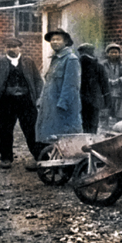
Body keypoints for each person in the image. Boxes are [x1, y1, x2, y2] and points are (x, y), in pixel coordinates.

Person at [0, 38, 44, 170]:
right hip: (6, 101)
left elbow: (38, 81)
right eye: (9, 46)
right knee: (5, 130)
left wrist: (39, 97)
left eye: (15, 46)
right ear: (5, 48)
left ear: (20, 48)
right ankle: (6, 158)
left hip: (26, 100)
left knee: (32, 129)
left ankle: (39, 157)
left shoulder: (29, 62)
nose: (12, 49)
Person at [34, 28, 82, 157]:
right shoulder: (55, 60)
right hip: (51, 104)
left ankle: (65, 162)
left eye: (58, 39)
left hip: (62, 107)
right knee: (52, 136)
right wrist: (42, 101)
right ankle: (55, 158)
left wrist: (63, 104)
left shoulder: (71, 59)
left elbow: (71, 85)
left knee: (65, 135)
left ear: (65, 42)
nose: (54, 42)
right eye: (52, 40)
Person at [76, 43, 110, 134]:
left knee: (83, 125)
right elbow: (105, 85)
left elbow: (104, 85)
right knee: (92, 125)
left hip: (81, 100)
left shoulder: (77, 65)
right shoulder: (98, 66)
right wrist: (107, 102)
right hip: (93, 100)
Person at [101, 43, 122, 130]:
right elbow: (99, 75)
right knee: (105, 112)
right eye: (111, 52)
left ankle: (119, 129)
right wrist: (108, 81)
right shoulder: (102, 65)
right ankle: (105, 129)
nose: (114, 54)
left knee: (120, 113)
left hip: (120, 92)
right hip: (107, 92)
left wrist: (120, 80)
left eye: (116, 52)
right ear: (107, 54)